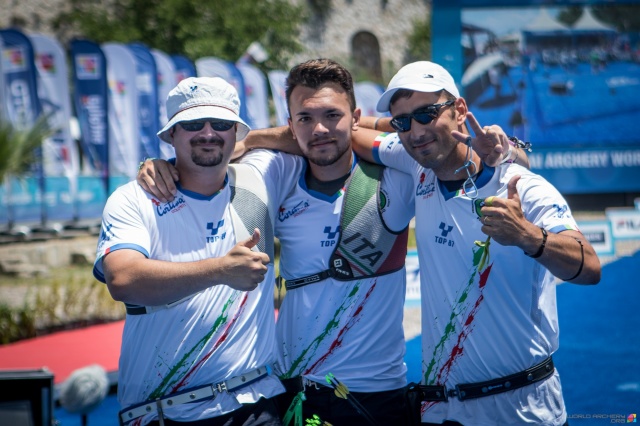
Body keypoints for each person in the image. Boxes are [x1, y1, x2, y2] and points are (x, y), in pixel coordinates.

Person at [137, 59, 527, 426]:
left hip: (375, 394)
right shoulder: (277, 172)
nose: (319, 129)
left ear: (355, 119)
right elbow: (207, 166)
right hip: (292, 387)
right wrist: (165, 164)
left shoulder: (400, 173)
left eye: (332, 115)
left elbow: (438, 143)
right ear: (291, 124)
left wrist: (510, 151)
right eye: (305, 118)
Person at [350, 61, 601, 425]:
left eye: (426, 114)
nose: (415, 131)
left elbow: (589, 267)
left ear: (461, 111)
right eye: (402, 121)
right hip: (442, 409)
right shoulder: (414, 161)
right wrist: (261, 139)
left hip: (521, 407)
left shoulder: (520, 185)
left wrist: (526, 235)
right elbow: (350, 134)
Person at [94, 76, 301, 426]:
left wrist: (248, 138)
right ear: (170, 135)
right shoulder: (134, 197)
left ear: (237, 133)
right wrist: (221, 270)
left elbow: (318, 134)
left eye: (220, 124)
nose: (207, 133)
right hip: (162, 411)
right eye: (192, 124)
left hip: (254, 402)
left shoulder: (260, 176)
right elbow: (123, 279)